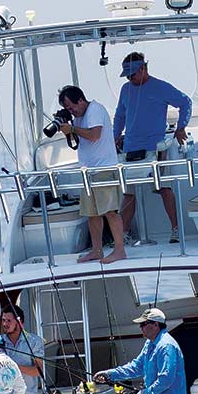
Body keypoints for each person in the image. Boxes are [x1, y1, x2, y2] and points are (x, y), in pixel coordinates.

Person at [113, 52, 193, 244]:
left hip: (155, 147)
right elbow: (120, 116)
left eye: (132, 74)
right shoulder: (125, 89)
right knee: (129, 193)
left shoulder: (160, 87)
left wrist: (181, 127)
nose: (130, 78)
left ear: (143, 69)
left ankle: (175, 230)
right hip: (131, 149)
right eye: (127, 75)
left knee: (164, 188)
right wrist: (115, 136)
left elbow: (185, 102)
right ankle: (123, 235)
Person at [57, 85, 127, 263]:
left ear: (80, 99)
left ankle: (119, 250)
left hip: (104, 169)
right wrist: (68, 126)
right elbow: (79, 140)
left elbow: (95, 135)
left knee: (110, 211)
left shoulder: (95, 109)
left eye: (72, 107)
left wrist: (72, 129)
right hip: (89, 171)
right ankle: (97, 250)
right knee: (92, 213)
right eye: (68, 110)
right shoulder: (78, 117)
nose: (71, 111)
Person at [92, 308, 187, 394]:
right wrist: (110, 374)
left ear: (156, 325)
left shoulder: (166, 346)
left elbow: (166, 379)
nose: (140, 327)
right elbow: (136, 367)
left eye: (143, 324)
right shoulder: (149, 344)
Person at [0, 305, 46, 394]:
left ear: (19, 322)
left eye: (8, 321)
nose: (5, 324)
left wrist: (13, 367)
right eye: (3, 320)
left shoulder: (34, 341)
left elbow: (38, 371)